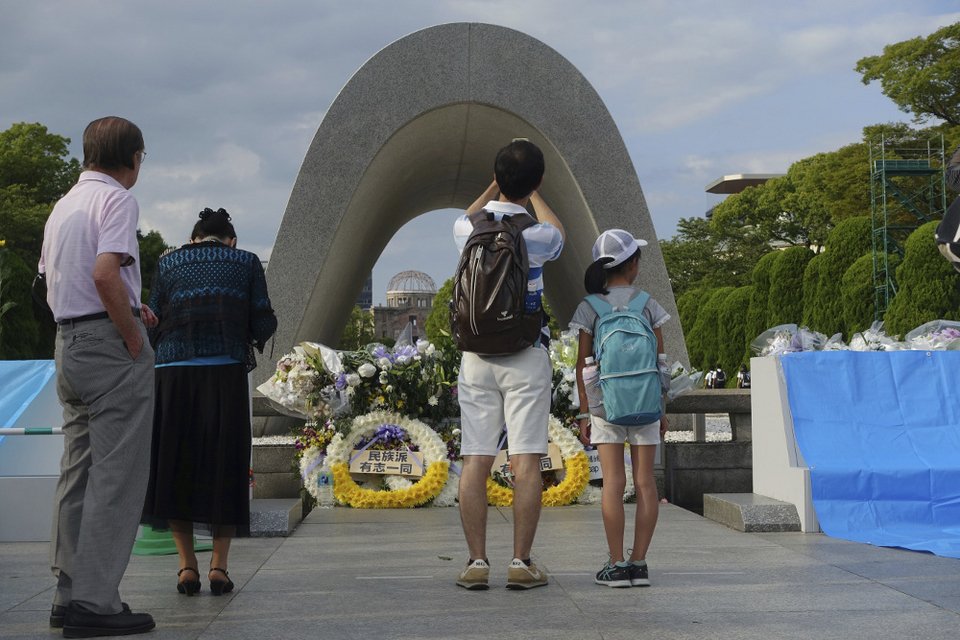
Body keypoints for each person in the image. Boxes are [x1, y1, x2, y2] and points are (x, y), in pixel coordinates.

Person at [39, 116, 157, 636]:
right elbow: (105, 272)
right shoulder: (116, 199)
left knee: (77, 471)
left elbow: (51, 279)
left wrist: (129, 305)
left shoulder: (63, 205)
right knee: (117, 475)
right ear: (133, 157)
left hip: (68, 343)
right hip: (109, 348)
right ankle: (96, 602)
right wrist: (130, 334)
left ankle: (66, 595)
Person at [141, 208, 277, 597]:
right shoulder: (246, 262)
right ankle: (219, 567)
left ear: (193, 238)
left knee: (176, 465)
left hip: (173, 374)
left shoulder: (169, 262)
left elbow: (154, 316)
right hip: (224, 373)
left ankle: (187, 567)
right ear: (231, 241)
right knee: (224, 465)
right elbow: (263, 320)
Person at [453, 140, 564, 590]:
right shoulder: (537, 236)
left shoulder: (467, 229)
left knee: (476, 459)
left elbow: (468, 213)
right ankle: (521, 562)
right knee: (525, 461)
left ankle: (476, 563)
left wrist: (494, 187)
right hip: (525, 354)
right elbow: (558, 229)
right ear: (536, 181)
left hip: (476, 358)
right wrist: (533, 192)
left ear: (497, 178)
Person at [571, 229, 670, 588]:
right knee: (645, 482)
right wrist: (661, 407)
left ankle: (616, 565)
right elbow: (660, 363)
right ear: (631, 265)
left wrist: (586, 412)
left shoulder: (590, 307)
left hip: (605, 406)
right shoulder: (647, 303)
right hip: (646, 403)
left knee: (613, 482)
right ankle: (639, 563)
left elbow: (583, 365)